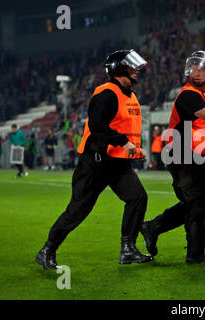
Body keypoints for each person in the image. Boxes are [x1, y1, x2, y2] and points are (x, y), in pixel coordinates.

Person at [36, 49, 153, 269]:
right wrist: (123, 142)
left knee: (138, 198)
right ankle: (47, 249)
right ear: (119, 70)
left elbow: (124, 127)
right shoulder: (107, 93)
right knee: (78, 210)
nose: (136, 72)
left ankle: (127, 249)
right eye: (131, 68)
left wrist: (135, 149)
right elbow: (97, 127)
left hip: (117, 163)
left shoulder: (130, 95)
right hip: (95, 162)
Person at [140, 51, 205, 264]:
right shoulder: (187, 95)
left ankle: (156, 228)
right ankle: (191, 252)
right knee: (197, 203)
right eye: (194, 67)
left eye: (202, 67)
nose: (197, 71)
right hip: (180, 152)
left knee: (199, 204)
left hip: (195, 153)